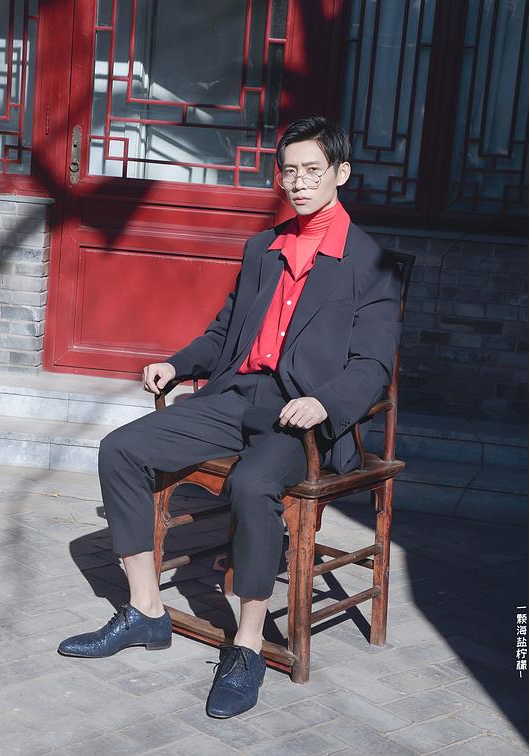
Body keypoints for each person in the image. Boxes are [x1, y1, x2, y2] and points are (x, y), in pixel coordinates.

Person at [57, 115, 403, 718]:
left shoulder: (370, 263)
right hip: (236, 397)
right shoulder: (262, 249)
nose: (299, 183)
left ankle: (246, 646)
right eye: (289, 171)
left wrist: (325, 403)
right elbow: (224, 335)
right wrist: (176, 363)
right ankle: (145, 611)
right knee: (121, 449)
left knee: (252, 483)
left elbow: (372, 366)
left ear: (341, 173)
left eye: (313, 171)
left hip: (303, 418)